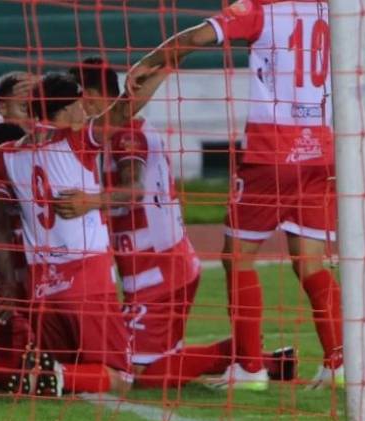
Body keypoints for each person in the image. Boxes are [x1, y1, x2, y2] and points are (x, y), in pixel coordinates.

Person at [135, 0, 343, 390]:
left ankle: (249, 368)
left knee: (237, 257)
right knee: (311, 264)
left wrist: (150, 61)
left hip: (271, 151)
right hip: (322, 151)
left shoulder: (260, 10)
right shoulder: (332, 11)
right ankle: (339, 362)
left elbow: (198, 35)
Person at [70, 57, 297, 389]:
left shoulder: (125, 135)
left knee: (137, 374)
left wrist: (87, 202)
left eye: (74, 101)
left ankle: (240, 352)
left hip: (159, 273)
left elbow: (132, 191)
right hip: (155, 269)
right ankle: (259, 358)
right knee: (141, 362)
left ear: (89, 96)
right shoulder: (116, 133)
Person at [0, 65, 168, 396]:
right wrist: (167, 63)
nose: (85, 109)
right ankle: (47, 375)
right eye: (80, 103)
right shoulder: (80, 140)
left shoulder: (4, 155)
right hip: (86, 279)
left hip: (41, 288)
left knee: (69, 377)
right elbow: (128, 106)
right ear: (67, 108)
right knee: (119, 379)